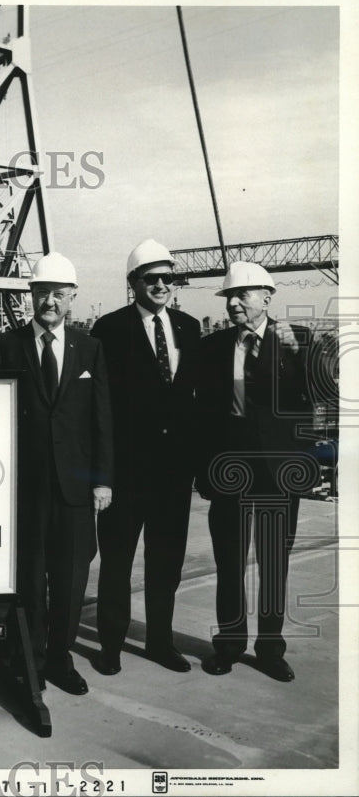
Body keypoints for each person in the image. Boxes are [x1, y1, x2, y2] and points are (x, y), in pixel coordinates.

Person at [0, 252, 113, 696]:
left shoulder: (90, 348)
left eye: (59, 295)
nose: (50, 303)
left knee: (71, 580)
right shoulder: (5, 346)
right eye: (42, 293)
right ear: (31, 295)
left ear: (73, 297)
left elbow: (102, 420)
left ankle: (60, 658)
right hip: (27, 490)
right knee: (29, 580)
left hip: (77, 490)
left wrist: (103, 480)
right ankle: (30, 661)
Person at [196, 261, 314, 682]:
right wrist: (205, 471)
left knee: (273, 564)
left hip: (279, 476)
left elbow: (312, 404)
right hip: (230, 473)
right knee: (229, 563)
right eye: (229, 296)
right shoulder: (213, 348)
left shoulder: (298, 341)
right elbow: (204, 416)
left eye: (242, 295)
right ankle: (228, 645)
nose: (233, 303)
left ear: (267, 297)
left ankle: (270, 649)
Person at [89, 239, 201, 676]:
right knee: (116, 562)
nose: (160, 285)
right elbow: (99, 405)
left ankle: (160, 642)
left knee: (166, 562)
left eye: (167, 278)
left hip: (173, 475)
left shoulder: (189, 328)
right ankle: (110, 646)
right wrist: (102, 473)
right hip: (126, 472)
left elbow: (196, 401)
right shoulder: (109, 329)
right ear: (133, 282)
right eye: (151, 278)